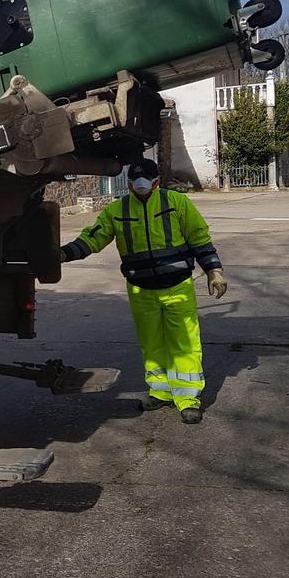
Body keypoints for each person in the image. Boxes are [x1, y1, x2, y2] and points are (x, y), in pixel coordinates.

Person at [59, 159, 227, 424]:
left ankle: (187, 399)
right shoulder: (118, 210)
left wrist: (213, 271)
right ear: (128, 184)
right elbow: (93, 238)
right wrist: (63, 253)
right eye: (135, 184)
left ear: (156, 182)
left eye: (146, 183)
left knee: (184, 343)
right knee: (151, 343)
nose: (141, 188)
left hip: (178, 287)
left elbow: (199, 238)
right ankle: (160, 391)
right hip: (141, 290)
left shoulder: (177, 203)